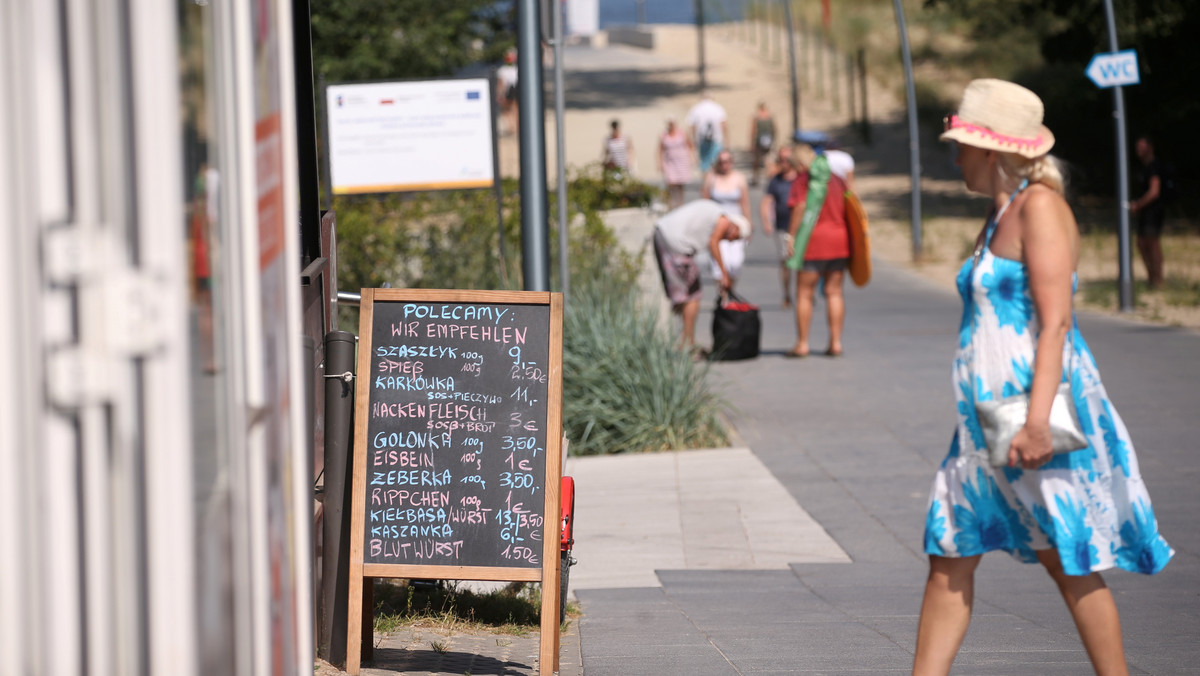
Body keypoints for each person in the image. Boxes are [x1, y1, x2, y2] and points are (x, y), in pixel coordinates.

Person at [915, 79, 1173, 676]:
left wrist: (1035, 423)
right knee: (949, 552)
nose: (956, 157)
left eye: (962, 147)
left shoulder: (1041, 208)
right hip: (983, 423)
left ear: (993, 151)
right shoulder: (999, 212)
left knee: (1070, 558)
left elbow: (1056, 324)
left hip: (1036, 415)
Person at [652, 199, 751, 352]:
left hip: (664, 234)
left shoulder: (715, 214)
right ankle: (688, 343)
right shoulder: (723, 220)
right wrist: (725, 275)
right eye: (735, 238)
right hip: (676, 243)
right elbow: (714, 243)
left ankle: (685, 338)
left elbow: (711, 245)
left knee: (683, 293)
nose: (731, 242)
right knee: (693, 295)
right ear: (736, 228)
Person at [785, 144, 849, 358]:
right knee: (835, 292)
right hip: (839, 241)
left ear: (801, 164)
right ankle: (836, 342)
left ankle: (803, 344)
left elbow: (800, 208)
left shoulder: (803, 181)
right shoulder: (837, 179)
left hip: (812, 242)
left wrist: (791, 236)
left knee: (804, 293)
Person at [701, 150, 751, 287]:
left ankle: (730, 288)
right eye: (721, 162)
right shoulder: (711, 178)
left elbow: (745, 202)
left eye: (727, 161)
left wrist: (749, 224)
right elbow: (704, 203)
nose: (724, 165)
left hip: (735, 225)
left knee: (735, 262)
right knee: (719, 260)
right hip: (717, 223)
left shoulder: (739, 178)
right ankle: (723, 294)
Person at [760, 145, 798, 307]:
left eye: (786, 159)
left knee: (803, 262)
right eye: (781, 160)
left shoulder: (801, 178)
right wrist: (766, 222)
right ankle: (787, 294)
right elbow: (766, 201)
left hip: (802, 228)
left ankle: (805, 291)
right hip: (783, 227)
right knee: (786, 262)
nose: (783, 163)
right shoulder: (775, 181)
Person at [1130, 135, 1165, 289]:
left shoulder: (1153, 167)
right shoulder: (1145, 167)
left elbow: (1154, 191)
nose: (1139, 150)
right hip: (1146, 212)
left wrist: (1138, 205)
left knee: (1152, 244)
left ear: (1150, 147)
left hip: (1153, 211)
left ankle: (1157, 279)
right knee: (1142, 243)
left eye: (1142, 147)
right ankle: (1152, 277)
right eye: (1138, 147)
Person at [685, 92, 728, 174]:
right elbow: (724, 125)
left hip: (702, 140)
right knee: (716, 163)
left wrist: (694, 139)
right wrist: (726, 140)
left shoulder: (696, 109)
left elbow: (692, 126)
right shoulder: (718, 108)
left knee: (704, 164)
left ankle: (706, 184)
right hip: (717, 139)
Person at [658, 117, 694, 209]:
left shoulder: (682, 133)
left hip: (681, 161)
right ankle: (670, 203)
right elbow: (660, 149)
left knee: (680, 184)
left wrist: (692, 157)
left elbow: (690, 145)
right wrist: (660, 162)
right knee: (671, 183)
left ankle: (680, 204)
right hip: (670, 162)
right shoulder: (664, 135)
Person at [748, 101, 776, 187]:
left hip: (759, 141)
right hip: (768, 140)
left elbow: (753, 131)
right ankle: (769, 179)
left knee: (757, 161)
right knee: (768, 161)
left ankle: (756, 178)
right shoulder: (770, 116)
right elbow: (774, 129)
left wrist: (751, 144)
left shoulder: (757, 117)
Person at [496, 48, 519, 136]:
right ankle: (516, 127)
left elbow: (501, 84)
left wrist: (499, 94)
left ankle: (511, 128)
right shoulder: (518, 68)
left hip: (509, 90)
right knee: (515, 110)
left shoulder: (502, 70)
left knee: (506, 110)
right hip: (516, 90)